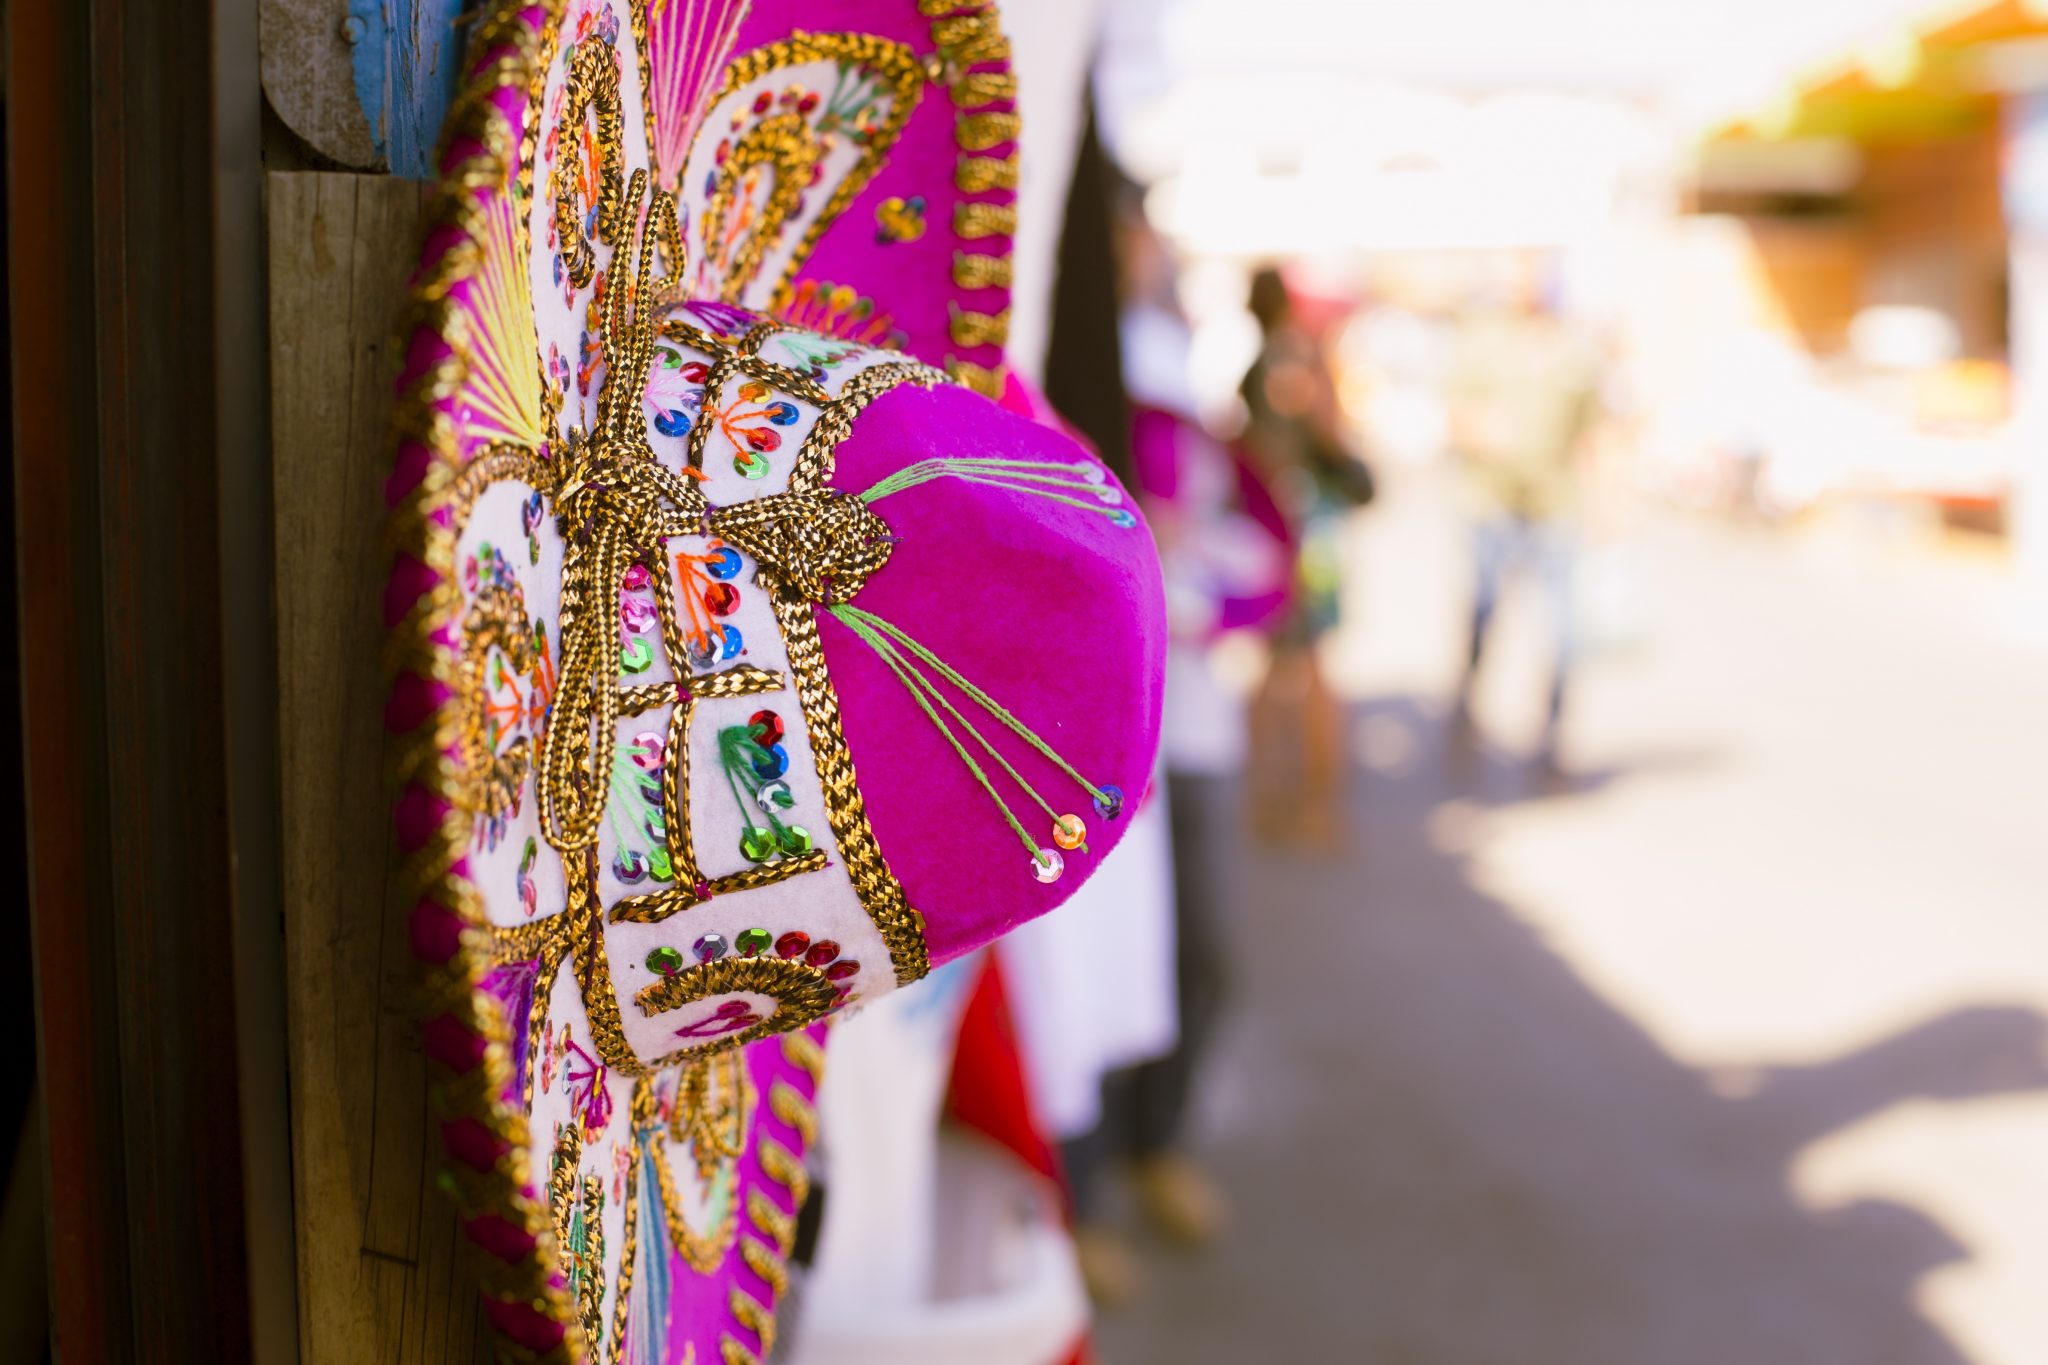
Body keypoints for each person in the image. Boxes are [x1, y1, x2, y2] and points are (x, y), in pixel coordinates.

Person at [1443, 257, 1601, 765]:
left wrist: (1606, 503)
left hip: (1556, 505)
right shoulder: (1486, 341)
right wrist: (1486, 434)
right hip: (1494, 502)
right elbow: (1456, 412)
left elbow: (1593, 433)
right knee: (1485, 616)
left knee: (1562, 628)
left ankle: (1552, 734)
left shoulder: (1576, 351)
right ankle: (1466, 716)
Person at [1239, 267, 1374, 849]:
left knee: (1282, 666)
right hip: (1307, 529)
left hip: (1281, 524)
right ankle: (1313, 805)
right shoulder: (1292, 360)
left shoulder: (1259, 364)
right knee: (1311, 667)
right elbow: (1327, 438)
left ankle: (1274, 797)